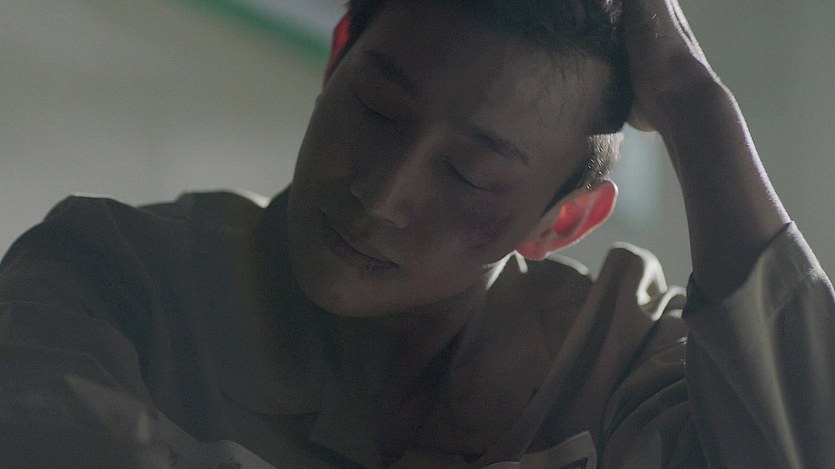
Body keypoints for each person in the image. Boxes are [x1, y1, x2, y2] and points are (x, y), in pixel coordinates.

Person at [1, 0, 833, 467]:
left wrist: (696, 106)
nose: (382, 193)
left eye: (469, 175)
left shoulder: (617, 358)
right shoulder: (107, 272)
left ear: (561, 222)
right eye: (377, 109)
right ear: (337, 59)